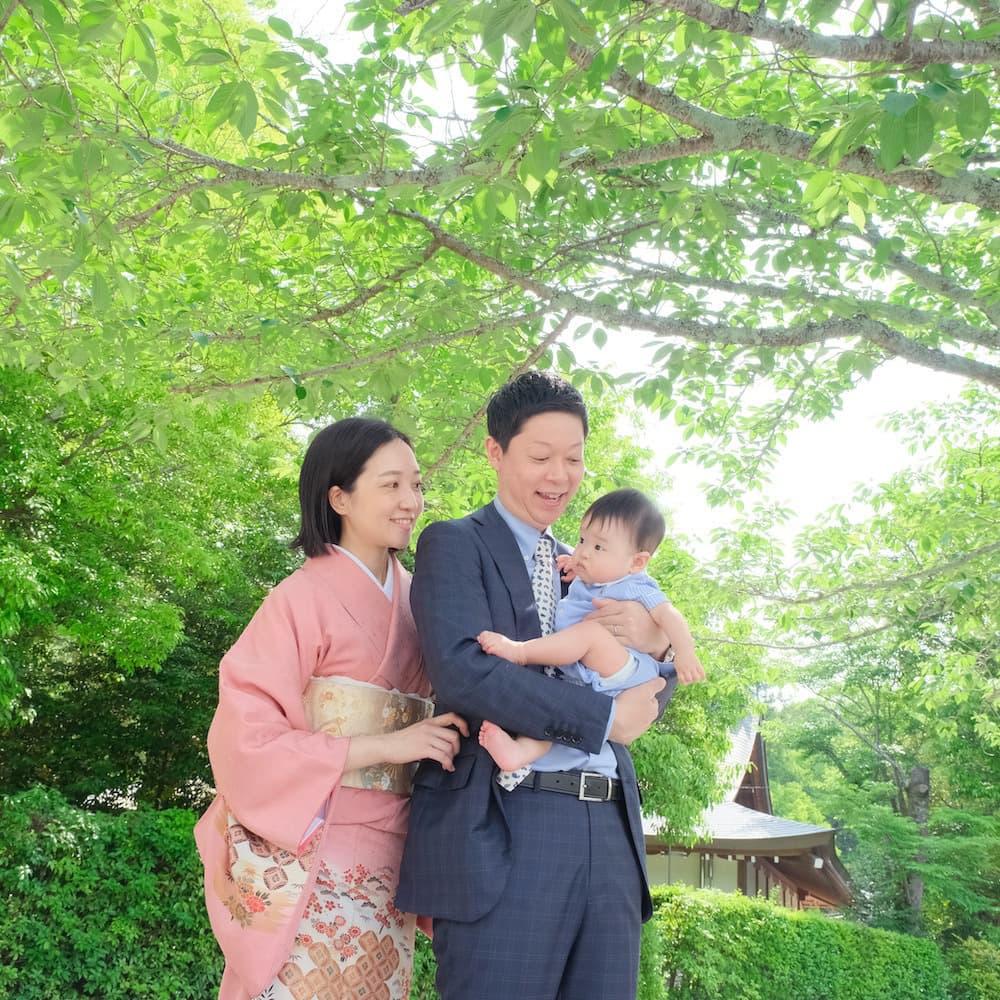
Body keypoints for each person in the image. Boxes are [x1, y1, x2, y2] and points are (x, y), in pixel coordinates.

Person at [396, 371, 706, 1000]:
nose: (560, 476)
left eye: (574, 459)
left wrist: (656, 645)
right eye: (540, 456)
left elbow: (657, 679)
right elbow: (465, 671)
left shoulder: (593, 562)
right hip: (508, 824)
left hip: (612, 830)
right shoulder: (454, 544)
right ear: (495, 451)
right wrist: (600, 716)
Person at [195, 418, 468, 1000]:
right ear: (339, 496)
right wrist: (388, 746)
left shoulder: (422, 598)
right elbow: (247, 739)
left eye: (416, 486)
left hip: (395, 850)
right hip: (316, 846)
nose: (411, 501)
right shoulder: (298, 599)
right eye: (392, 485)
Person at [476, 487, 704, 780]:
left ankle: (520, 651)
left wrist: (683, 652)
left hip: (626, 672)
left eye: (598, 547)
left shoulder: (635, 586)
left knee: (590, 633)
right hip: (589, 675)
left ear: (636, 562)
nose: (583, 551)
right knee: (560, 705)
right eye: (583, 540)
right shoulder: (593, 575)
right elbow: (583, 571)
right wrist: (576, 565)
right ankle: (520, 753)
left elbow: (670, 616)